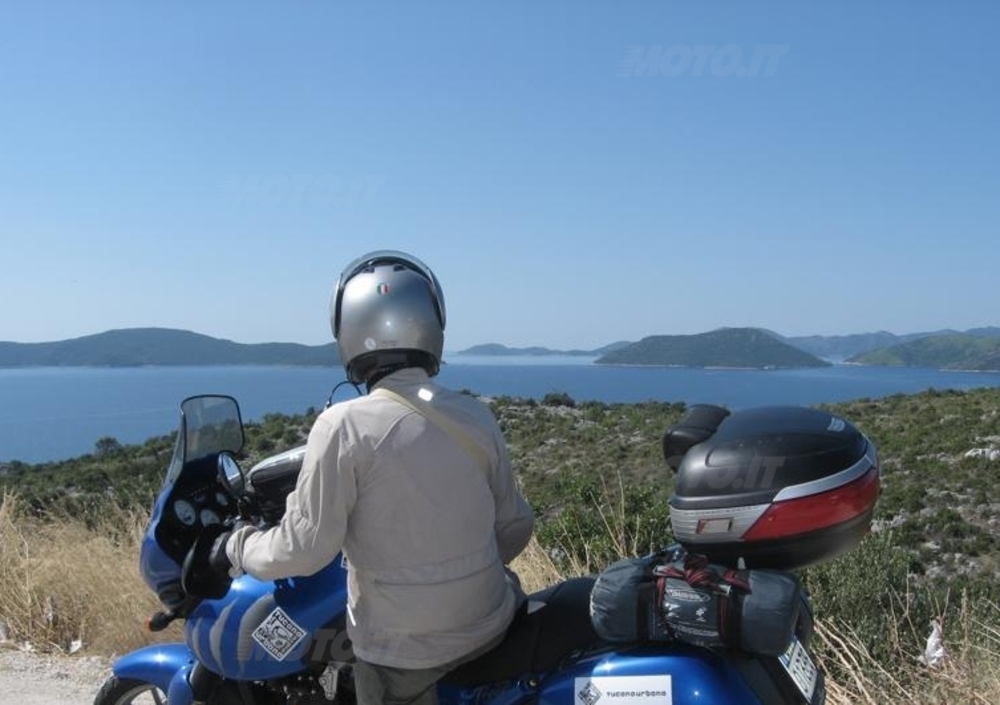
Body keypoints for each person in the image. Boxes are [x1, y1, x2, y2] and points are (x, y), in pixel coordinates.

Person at [224, 250, 535, 705]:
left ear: (349, 329)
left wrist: (238, 545)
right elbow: (515, 526)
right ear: (431, 323)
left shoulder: (342, 426)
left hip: (405, 660)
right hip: (492, 628)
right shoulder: (475, 415)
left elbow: (303, 550)